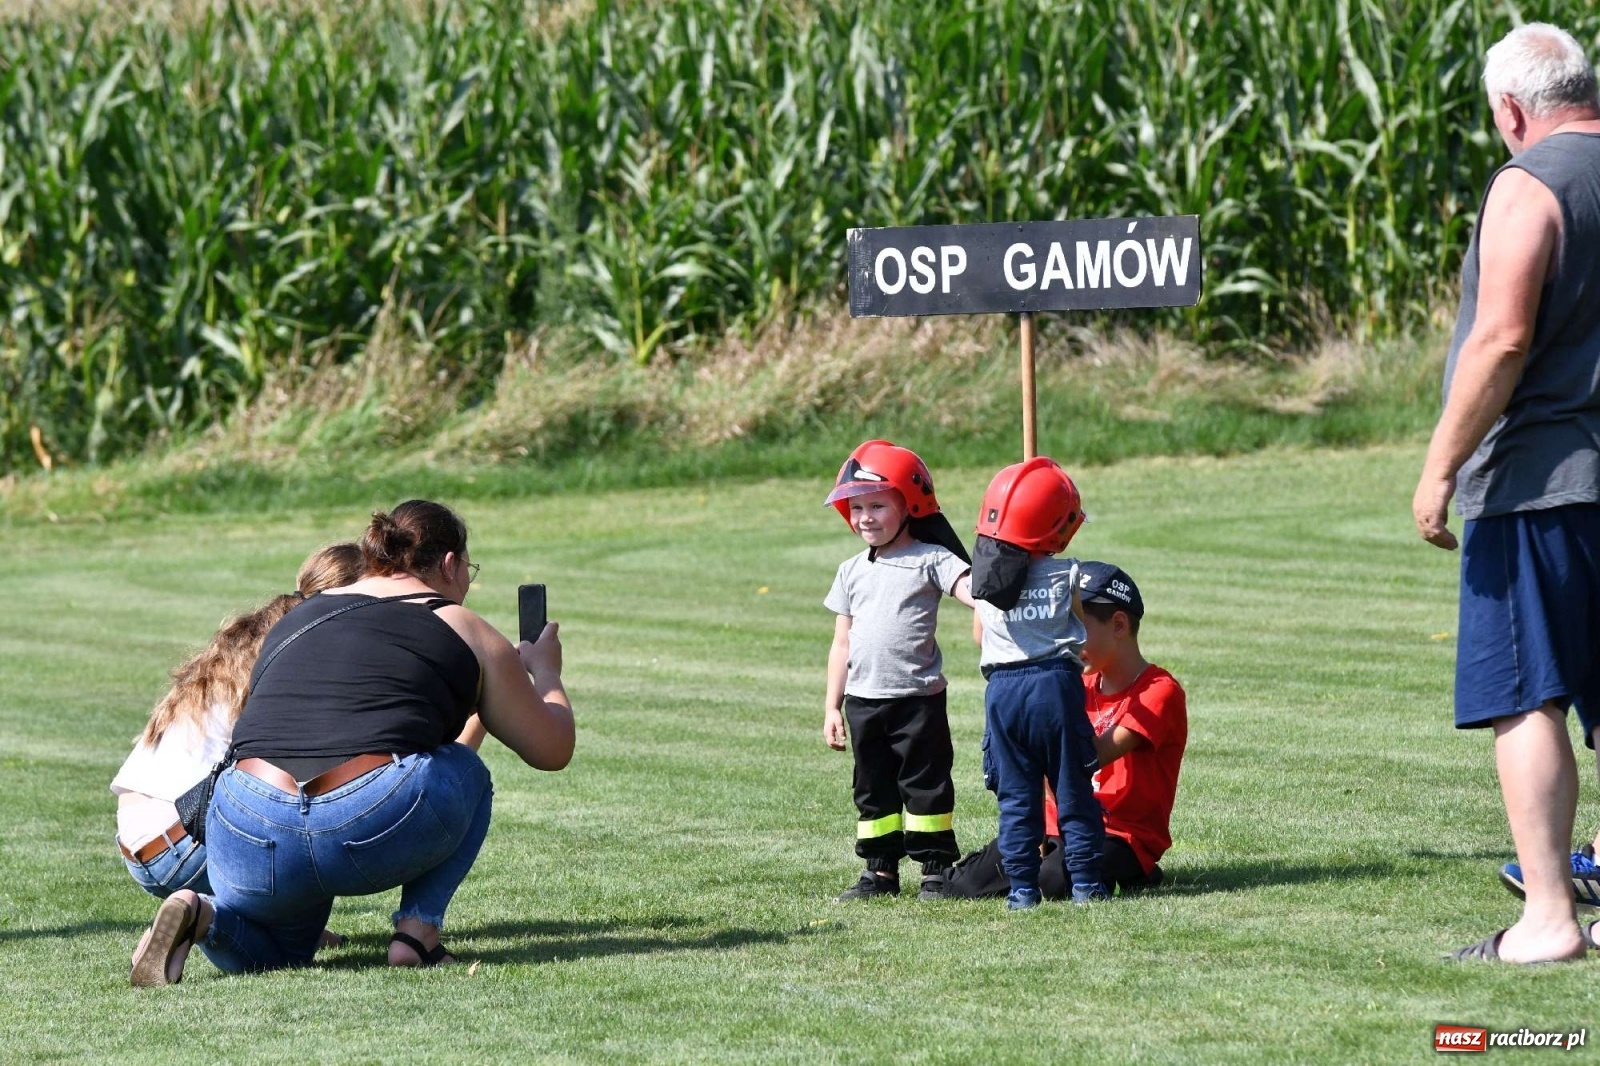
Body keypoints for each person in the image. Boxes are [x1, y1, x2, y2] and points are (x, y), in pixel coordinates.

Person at [129, 499, 575, 985]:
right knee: (464, 770)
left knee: (283, 954)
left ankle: (202, 914)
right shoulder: (463, 625)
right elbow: (551, 750)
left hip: (246, 818)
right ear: (449, 564)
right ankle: (418, 936)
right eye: (470, 568)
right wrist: (546, 673)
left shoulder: (299, 616)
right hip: (360, 821)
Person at [1410, 23, 1600, 963]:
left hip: (1539, 480)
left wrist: (1440, 466)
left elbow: (1501, 339)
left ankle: (1550, 920)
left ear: (1513, 110)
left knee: (1527, 694)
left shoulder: (1531, 182)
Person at [112, 543, 364, 906]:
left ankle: (209, 913)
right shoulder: (302, 651)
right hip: (184, 845)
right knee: (317, 813)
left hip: (138, 846)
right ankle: (235, 918)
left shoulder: (250, 638)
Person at [945, 561, 1187, 900]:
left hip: (1119, 833)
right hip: (1054, 822)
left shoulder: (1158, 691)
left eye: (1072, 625)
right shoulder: (1075, 682)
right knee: (962, 886)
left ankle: (1137, 869)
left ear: (1118, 625)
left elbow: (1083, 757)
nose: (1061, 639)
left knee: (1053, 880)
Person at [822, 439, 975, 901]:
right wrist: (831, 706)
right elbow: (841, 642)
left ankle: (934, 870)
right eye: (856, 507)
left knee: (925, 785)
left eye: (877, 506)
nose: (865, 517)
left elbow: (976, 591)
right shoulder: (850, 570)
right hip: (863, 701)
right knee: (873, 790)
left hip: (918, 700)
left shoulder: (931, 558)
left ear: (909, 505)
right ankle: (880, 871)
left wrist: (1005, 573)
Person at [968, 457, 1105, 910]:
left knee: (1016, 796)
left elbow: (979, 637)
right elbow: (1081, 633)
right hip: (1054, 685)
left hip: (1003, 691)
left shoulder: (984, 582)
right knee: (1071, 786)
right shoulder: (1068, 573)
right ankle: (1086, 883)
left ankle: (1023, 890)